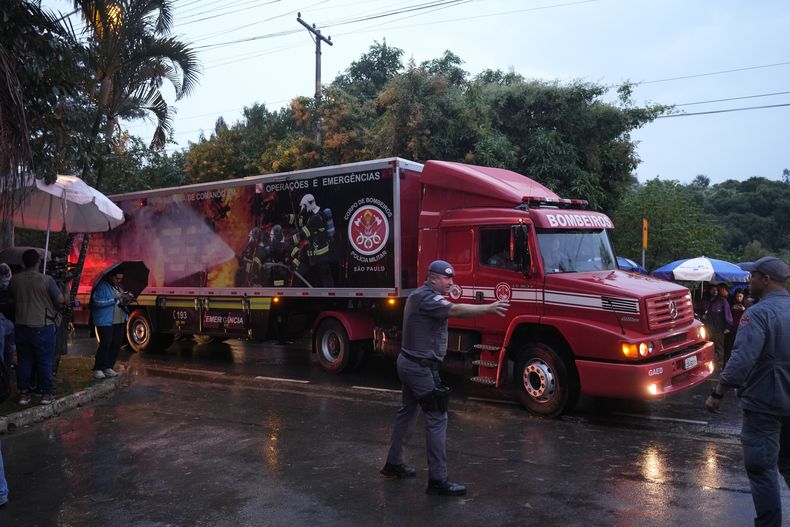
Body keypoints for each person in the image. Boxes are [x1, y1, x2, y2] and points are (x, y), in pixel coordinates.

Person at [381, 260, 509, 497]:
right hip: (419, 368)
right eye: (446, 278)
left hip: (410, 364)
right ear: (432, 278)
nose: (451, 282)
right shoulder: (427, 298)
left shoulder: (420, 295)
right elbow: (456, 310)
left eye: (452, 277)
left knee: (407, 413)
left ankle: (393, 464)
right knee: (437, 416)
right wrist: (489, 308)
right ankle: (438, 480)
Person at [706, 255, 790, 526]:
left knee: (762, 469)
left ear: (766, 279)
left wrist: (718, 392)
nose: (748, 280)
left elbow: (742, 359)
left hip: (764, 405)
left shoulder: (758, 314)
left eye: (752, 275)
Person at [8, 249, 65, 405]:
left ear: (23, 263)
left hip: (21, 325)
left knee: (24, 360)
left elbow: (11, 298)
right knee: (44, 360)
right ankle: (46, 393)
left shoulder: (15, 280)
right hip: (42, 325)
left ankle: (24, 394)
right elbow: (60, 300)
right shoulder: (46, 280)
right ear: (38, 262)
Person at [91, 270, 130, 379]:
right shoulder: (102, 287)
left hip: (119, 320)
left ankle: (108, 367)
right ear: (111, 276)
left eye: (121, 279)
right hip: (105, 321)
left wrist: (127, 299)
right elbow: (97, 302)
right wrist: (114, 299)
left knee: (116, 344)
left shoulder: (119, 287)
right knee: (106, 343)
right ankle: (98, 368)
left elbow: (120, 303)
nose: (119, 281)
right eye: (117, 278)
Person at [701, 284, 732, 370]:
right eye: (713, 290)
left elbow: (728, 314)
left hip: (719, 329)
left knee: (719, 347)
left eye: (716, 290)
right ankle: (709, 363)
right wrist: (702, 316)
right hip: (708, 328)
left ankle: (719, 365)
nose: (715, 291)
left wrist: (728, 326)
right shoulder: (706, 301)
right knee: (708, 347)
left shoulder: (722, 301)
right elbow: (702, 312)